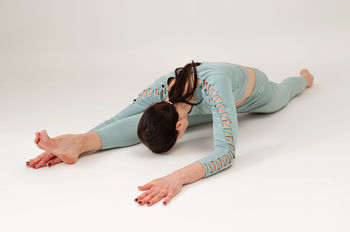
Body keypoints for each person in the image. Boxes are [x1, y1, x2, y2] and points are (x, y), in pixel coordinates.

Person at [25, 60, 314, 206]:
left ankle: (304, 79)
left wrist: (178, 177)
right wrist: (80, 138)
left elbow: (226, 152)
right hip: (196, 106)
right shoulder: (162, 90)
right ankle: (82, 143)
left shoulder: (217, 88)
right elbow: (124, 115)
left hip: (253, 93)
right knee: (137, 122)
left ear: (179, 127)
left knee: (284, 94)